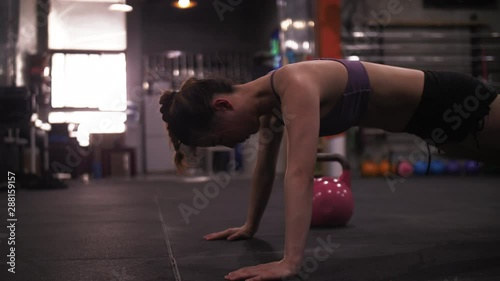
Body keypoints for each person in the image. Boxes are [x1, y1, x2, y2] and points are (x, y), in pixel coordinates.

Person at [159, 58, 500, 280]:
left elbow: (299, 173)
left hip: (455, 102)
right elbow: (264, 171)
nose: (231, 144)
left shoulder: (296, 83)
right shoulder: (270, 105)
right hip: (433, 128)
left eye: (220, 136)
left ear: (223, 105)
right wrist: (250, 225)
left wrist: (290, 261)